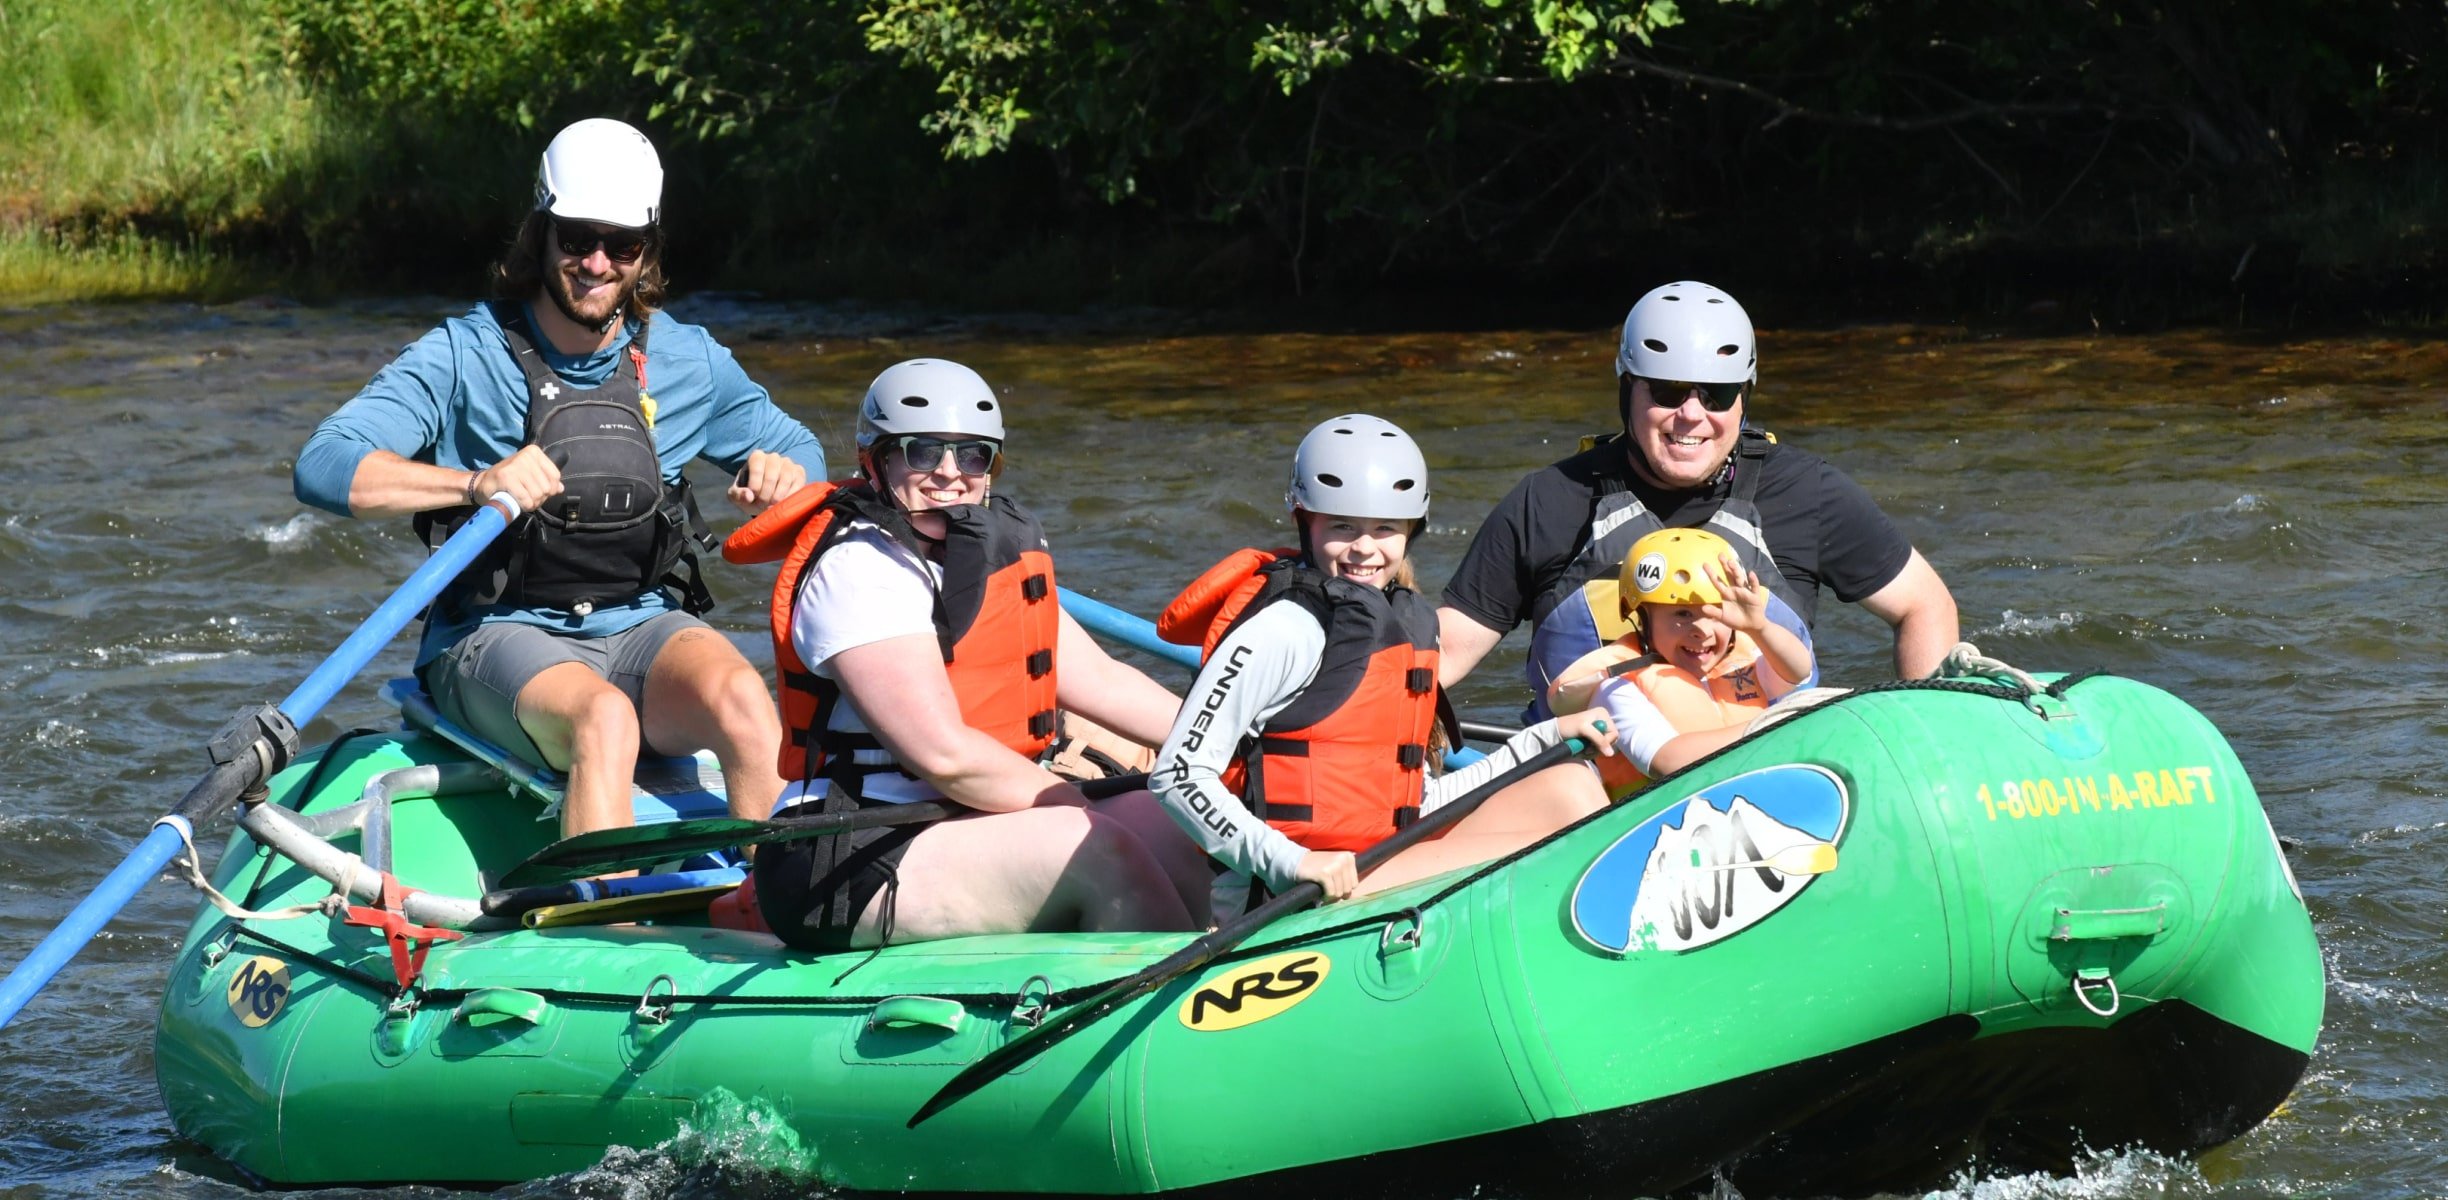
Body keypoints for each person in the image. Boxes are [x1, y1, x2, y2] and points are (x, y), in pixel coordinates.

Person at [293, 117, 823, 838]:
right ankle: (609, 929)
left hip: (639, 625)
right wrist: (477, 483)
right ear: (540, 234)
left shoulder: (686, 359)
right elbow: (324, 465)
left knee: (744, 701)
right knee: (603, 719)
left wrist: (783, 473)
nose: (598, 263)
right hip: (493, 635)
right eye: (577, 239)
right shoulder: (462, 354)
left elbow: (804, 457)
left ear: (647, 252)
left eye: (622, 245)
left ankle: (766, 906)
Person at [727, 358, 1208, 950]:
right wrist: (1078, 807)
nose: (950, 475)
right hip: (848, 848)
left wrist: (1233, 750)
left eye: (973, 455)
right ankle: (1177, 1011)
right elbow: (945, 755)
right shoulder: (858, 570)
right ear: (874, 460)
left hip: (970, 819)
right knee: (1100, 847)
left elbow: (1105, 683)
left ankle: (1205, 969)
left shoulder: (980, 556)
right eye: (923, 451)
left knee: (1166, 823)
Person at [1151, 414, 1618, 912]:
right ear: (1304, 522)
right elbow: (1178, 774)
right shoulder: (1282, 630)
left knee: (1571, 789)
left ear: (1412, 531)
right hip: (1291, 895)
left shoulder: (1398, 628)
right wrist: (1291, 862)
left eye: (1385, 529)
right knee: (1549, 853)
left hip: (1377, 860)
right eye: (1342, 526)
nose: (1364, 549)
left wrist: (1543, 740)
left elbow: (1414, 806)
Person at [1436, 281, 1958, 718]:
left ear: (1743, 399)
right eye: (1667, 391)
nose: (1691, 414)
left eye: (1716, 395)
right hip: (1587, 788)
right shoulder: (1550, 501)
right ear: (1628, 390)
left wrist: (1927, 733)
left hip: (1757, 773)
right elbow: (1445, 654)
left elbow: (1923, 606)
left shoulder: (1805, 491)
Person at [1545, 527, 1814, 799]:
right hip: (1661, 820)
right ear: (1642, 618)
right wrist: (1771, 725)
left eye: (1717, 612)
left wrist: (1761, 627)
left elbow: (1798, 671)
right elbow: (1668, 761)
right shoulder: (1617, 688)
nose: (1703, 631)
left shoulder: (1746, 658)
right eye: (1683, 614)